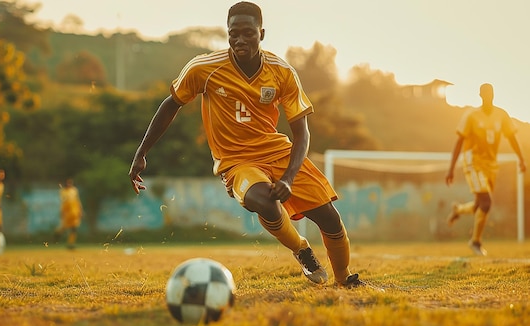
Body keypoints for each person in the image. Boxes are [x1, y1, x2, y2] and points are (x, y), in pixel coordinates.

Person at [128, 1, 365, 288]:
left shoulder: (282, 72)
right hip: (237, 161)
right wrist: (142, 152)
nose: (240, 39)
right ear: (227, 34)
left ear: (261, 34)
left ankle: (344, 280)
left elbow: (302, 134)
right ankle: (301, 248)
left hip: (278, 152)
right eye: (233, 33)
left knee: (329, 217)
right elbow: (171, 105)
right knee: (262, 200)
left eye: (248, 33)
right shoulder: (204, 68)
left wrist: (289, 177)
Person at [445, 83, 526, 255]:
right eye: (486, 93)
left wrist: (521, 158)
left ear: (494, 94)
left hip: (491, 164)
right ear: (480, 95)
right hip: (473, 161)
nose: (489, 95)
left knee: (478, 205)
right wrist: (451, 168)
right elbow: (459, 141)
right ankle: (475, 242)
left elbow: (511, 137)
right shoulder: (471, 116)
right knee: (487, 202)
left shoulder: (501, 115)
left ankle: (458, 210)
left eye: (491, 92)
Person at [55, 178, 83, 250]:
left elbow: (77, 200)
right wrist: (62, 212)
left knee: (74, 228)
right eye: (68, 183)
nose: (69, 184)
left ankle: (71, 244)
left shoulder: (74, 190)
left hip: (74, 211)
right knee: (64, 227)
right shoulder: (63, 191)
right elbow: (63, 202)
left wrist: (80, 210)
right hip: (67, 212)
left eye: (70, 183)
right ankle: (56, 236)